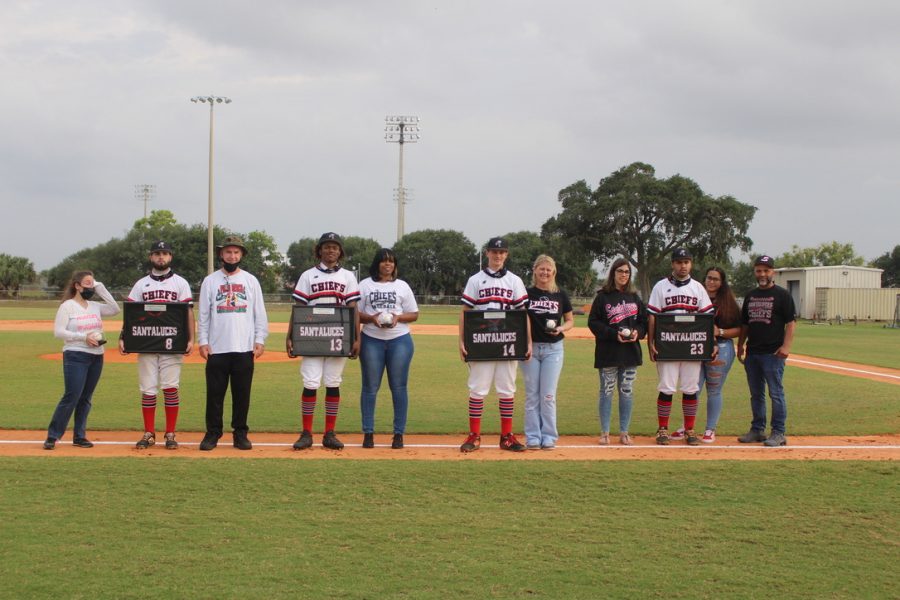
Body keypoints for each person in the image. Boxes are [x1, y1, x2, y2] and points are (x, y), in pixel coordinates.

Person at [288, 232, 360, 450]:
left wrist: (356, 338)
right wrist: (290, 335)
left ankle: (329, 433)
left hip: (338, 335)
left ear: (340, 252)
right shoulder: (308, 276)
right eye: (327, 247)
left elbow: (353, 309)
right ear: (319, 250)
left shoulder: (348, 276)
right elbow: (298, 309)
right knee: (310, 383)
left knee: (333, 383)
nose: (331, 251)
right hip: (311, 335)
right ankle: (307, 433)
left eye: (335, 247)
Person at [119, 241, 194, 450]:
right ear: (151, 257)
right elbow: (131, 314)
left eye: (165, 254)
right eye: (157, 254)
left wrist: (191, 339)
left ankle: (170, 433)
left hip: (172, 343)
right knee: (148, 390)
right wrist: (124, 336)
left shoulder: (180, 283)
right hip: (146, 343)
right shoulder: (141, 284)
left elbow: (188, 312)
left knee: (170, 388)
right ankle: (149, 433)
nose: (161, 257)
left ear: (170, 257)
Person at [458, 236, 531, 453]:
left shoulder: (515, 281)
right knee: (477, 390)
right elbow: (465, 312)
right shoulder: (475, 280)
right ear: (487, 253)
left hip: (507, 341)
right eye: (494, 252)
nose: (498, 256)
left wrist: (527, 341)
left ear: (506, 255)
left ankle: (506, 437)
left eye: (502, 252)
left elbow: (522, 313)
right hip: (481, 340)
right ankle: (474, 435)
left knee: (507, 389)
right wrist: (461, 341)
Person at [197, 235, 269, 451]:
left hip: (244, 347)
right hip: (217, 348)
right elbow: (203, 314)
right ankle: (213, 433)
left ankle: (240, 434)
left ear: (241, 255)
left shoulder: (250, 280)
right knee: (215, 395)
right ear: (221, 254)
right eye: (228, 252)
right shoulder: (210, 281)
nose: (232, 255)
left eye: (236, 252)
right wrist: (203, 341)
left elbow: (259, 312)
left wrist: (260, 339)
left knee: (242, 395)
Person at [44, 270, 120, 450]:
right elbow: (59, 332)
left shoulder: (94, 306)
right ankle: (53, 436)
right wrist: (83, 337)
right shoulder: (67, 306)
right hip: (76, 354)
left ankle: (79, 436)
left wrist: (99, 287)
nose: (90, 287)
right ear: (77, 286)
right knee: (72, 395)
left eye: (92, 283)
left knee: (85, 397)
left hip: (96, 356)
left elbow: (115, 309)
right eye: (87, 283)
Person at [647, 248, 714, 445]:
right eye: (679, 262)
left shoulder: (698, 288)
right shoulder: (660, 286)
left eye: (686, 262)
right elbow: (652, 317)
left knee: (690, 388)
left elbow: (708, 318)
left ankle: (690, 429)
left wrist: (712, 342)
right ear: (672, 264)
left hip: (691, 345)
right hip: (667, 345)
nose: (683, 266)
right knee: (667, 388)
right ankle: (662, 430)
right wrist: (651, 343)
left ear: (691, 264)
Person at [357, 248, 419, 449]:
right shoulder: (365, 285)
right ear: (377, 264)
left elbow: (414, 313)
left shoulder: (402, 286)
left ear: (395, 265)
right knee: (370, 387)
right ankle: (368, 433)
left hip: (399, 339)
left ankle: (398, 434)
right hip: (371, 339)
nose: (387, 264)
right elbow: (355, 313)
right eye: (383, 261)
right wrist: (371, 318)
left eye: (391, 261)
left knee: (399, 387)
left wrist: (398, 317)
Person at [737, 254, 796, 447]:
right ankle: (757, 429)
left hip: (773, 353)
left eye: (766, 270)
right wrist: (740, 346)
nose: (762, 274)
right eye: (758, 270)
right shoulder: (751, 295)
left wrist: (786, 347)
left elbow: (791, 323)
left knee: (776, 393)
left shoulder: (782, 295)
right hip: (753, 352)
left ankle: (778, 432)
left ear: (773, 272)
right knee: (756, 394)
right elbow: (745, 324)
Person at [588, 258, 647, 446]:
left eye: (627, 272)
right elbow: (593, 323)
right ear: (613, 273)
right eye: (620, 271)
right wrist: (614, 334)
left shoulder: (634, 297)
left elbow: (644, 322)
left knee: (627, 392)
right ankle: (605, 432)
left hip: (630, 353)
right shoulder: (603, 297)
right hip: (608, 352)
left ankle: (624, 432)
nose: (623, 274)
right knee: (606, 391)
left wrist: (638, 332)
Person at [519, 254, 573, 450]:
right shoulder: (526, 294)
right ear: (534, 270)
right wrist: (525, 343)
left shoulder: (560, 295)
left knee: (548, 395)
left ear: (554, 272)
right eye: (541, 269)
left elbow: (570, 320)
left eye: (548, 269)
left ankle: (549, 436)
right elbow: (519, 319)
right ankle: (533, 436)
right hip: (531, 349)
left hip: (553, 349)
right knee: (532, 395)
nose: (545, 272)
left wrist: (561, 329)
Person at [691, 266, 742, 444]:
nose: (711, 282)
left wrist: (719, 331)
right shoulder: (695, 297)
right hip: (696, 347)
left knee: (713, 390)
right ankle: (688, 427)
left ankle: (710, 429)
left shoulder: (728, 302)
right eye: (709, 278)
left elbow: (740, 329)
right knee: (692, 388)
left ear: (722, 282)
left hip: (721, 348)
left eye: (715, 279)